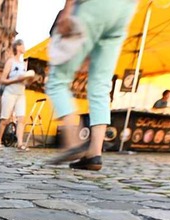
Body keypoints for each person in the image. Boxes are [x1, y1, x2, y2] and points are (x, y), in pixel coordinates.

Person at [46, 0, 138, 170]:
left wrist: (67, 11)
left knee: (56, 81)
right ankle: (94, 154)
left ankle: (74, 143)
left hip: (92, 6)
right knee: (101, 85)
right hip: (124, 11)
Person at [0, 40, 32, 151]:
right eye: (23, 45)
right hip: (10, 93)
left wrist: (29, 80)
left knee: (21, 118)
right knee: (5, 119)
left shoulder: (24, 64)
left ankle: (20, 143)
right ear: (18, 47)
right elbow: (2, 79)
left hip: (21, 94)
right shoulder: (10, 62)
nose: (25, 47)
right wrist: (16, 79)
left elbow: (25, 82)